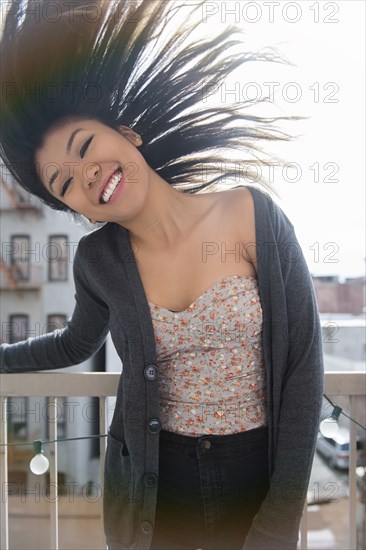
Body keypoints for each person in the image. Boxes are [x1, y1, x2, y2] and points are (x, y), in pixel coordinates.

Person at [0, 1, 324, 549]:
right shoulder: (97, 261)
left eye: (86, 147)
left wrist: (278, 521)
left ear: (128, 135)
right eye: (65, 181)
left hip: (254, 475)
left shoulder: (252, 215)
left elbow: (303, 371)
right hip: (152, 485)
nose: (88, 174)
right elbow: (75, 343)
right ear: (81, 210)